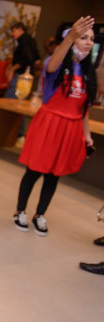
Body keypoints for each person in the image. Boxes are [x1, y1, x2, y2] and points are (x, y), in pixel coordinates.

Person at [13, 16, 96, 236]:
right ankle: (20, 211)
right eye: (83, 37)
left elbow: (84, 110)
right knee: (34, 171)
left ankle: (40, 214)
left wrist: (87, 135)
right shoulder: (57, 63)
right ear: (71, 39)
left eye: (91, 39)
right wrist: (70, 37)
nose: (88, 42)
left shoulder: (87, 71)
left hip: (71, 128)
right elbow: (51, 66)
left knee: (53, 176)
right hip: (49, 125)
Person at [4, 22, 40, 99]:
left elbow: (26, 58)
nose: (12, 34)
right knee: (21, 96)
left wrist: (13, 69)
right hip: (28, 76)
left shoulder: (23, 39)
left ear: (20, 30)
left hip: (21, 75)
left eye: (13, 31)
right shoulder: (31, 40)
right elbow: (37, 60)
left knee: (12, 96)